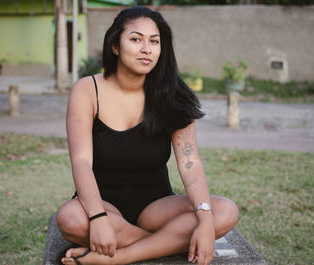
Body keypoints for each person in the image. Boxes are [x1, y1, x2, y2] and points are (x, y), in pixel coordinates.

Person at [56, 6, 238, 265]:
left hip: (156, 205)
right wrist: (97, 218)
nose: (146, 49)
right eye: (135, 39)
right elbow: (81, 161)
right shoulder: (87, 90)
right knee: (69, 218)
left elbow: (190, 163)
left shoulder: (173, 94)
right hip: (102, 201)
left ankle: (121, 256)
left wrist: (206, 220)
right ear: (115, 46)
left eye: (154, 41)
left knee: (225, 211)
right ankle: (167, 242)